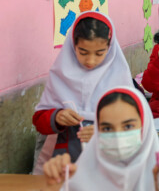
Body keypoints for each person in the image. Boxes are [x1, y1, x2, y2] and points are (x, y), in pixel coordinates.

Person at [32, 11, 134, 173]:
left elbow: (134, 127)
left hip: (107, 166)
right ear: (73, 46)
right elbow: (39, 121)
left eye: (100, 53)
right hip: (64, 163)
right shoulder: (61, 73)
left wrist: (107, 131)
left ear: (110, 47)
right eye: (83, 52)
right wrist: (57, 117)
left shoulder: (120, 78)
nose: (90, 61)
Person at [43, 87, 159, 190]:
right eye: (107, 128)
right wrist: (57, 185)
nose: (118, 136)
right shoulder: (80, 176)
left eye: (128, 127)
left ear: (146, 127)